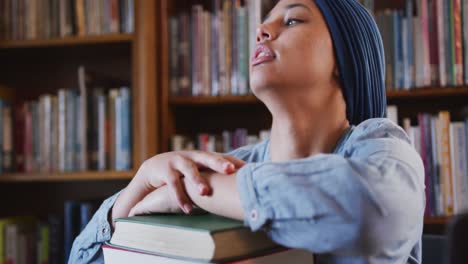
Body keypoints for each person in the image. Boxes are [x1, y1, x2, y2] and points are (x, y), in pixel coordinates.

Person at [69, 0, 425, 263]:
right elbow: (79, 258)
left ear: (346, 59)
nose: (262, 30)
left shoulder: (381, 146)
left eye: (292, 20)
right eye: (264, 22)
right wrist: (140, 185)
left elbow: (371, 212)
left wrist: (194, 192)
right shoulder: (228, 165)